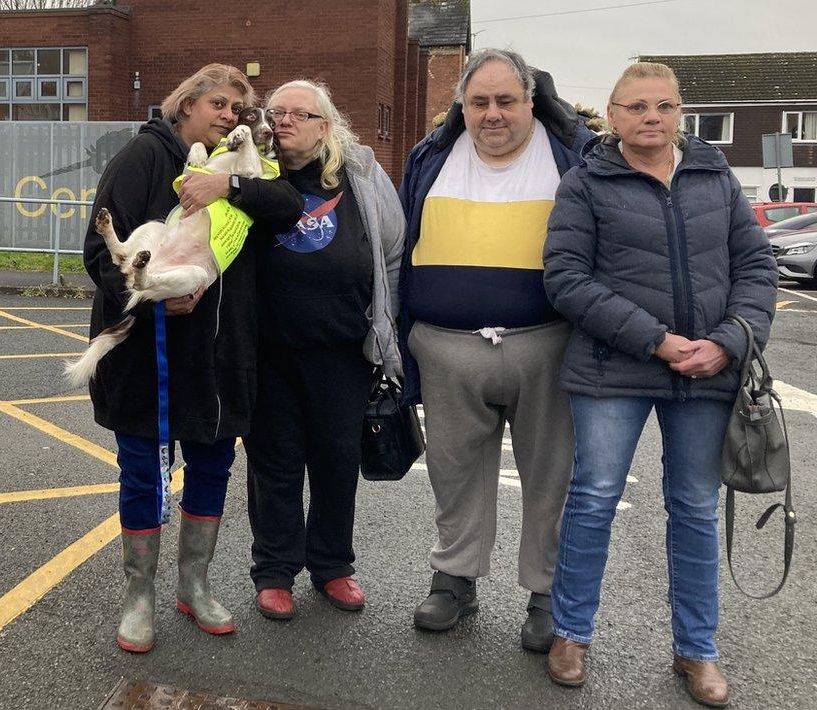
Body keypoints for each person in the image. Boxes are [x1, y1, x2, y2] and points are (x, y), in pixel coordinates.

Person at [542, 62, 777, 706]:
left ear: (681, 113)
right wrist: (658, 340)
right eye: (637, 106)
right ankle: (571, 633)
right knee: (592, 500)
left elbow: (757, 267)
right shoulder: (585, 183)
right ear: (612, 115)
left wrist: (728, 341)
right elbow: (566, 279)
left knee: (696, 510)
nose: (652, 117)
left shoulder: (715, 177)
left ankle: (697, 650)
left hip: (709, 372)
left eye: (665, 106)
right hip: (612, 371)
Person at [83, 64, 303, 649]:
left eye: (238, 107)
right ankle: (138, 595)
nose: (230, 114)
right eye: (219, 103)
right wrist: (146, 300)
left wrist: (229, 187)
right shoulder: (143, 158)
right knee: (141, 476)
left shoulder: (241, 166)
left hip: (217, 355)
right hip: (144, 353)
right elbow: (97, 252)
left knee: (212, 468)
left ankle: (194, 585)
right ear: (185, 105)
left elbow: (284, 206)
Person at [396, 48, 594, 648]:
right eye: (479, 101)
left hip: (548, 343)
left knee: (550, 476)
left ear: (532, 102)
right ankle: (454, 579)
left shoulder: (574, 156)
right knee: (453, 473)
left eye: (507, 100)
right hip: (447, 348)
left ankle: (546, 592)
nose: (493, 113)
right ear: (463, 104)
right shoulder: (430, 156)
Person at [243, 79, 405, 620]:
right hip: (270, 351)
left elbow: (391, 247)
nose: (284, 120)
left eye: (299, 114)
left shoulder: (358, 173)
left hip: (342, 351)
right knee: (276, 465)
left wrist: (385, 328)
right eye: (276, 111)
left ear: (325, 126)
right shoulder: (251, 170)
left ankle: (333, 566)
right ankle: (274, 571)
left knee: (337, 463)